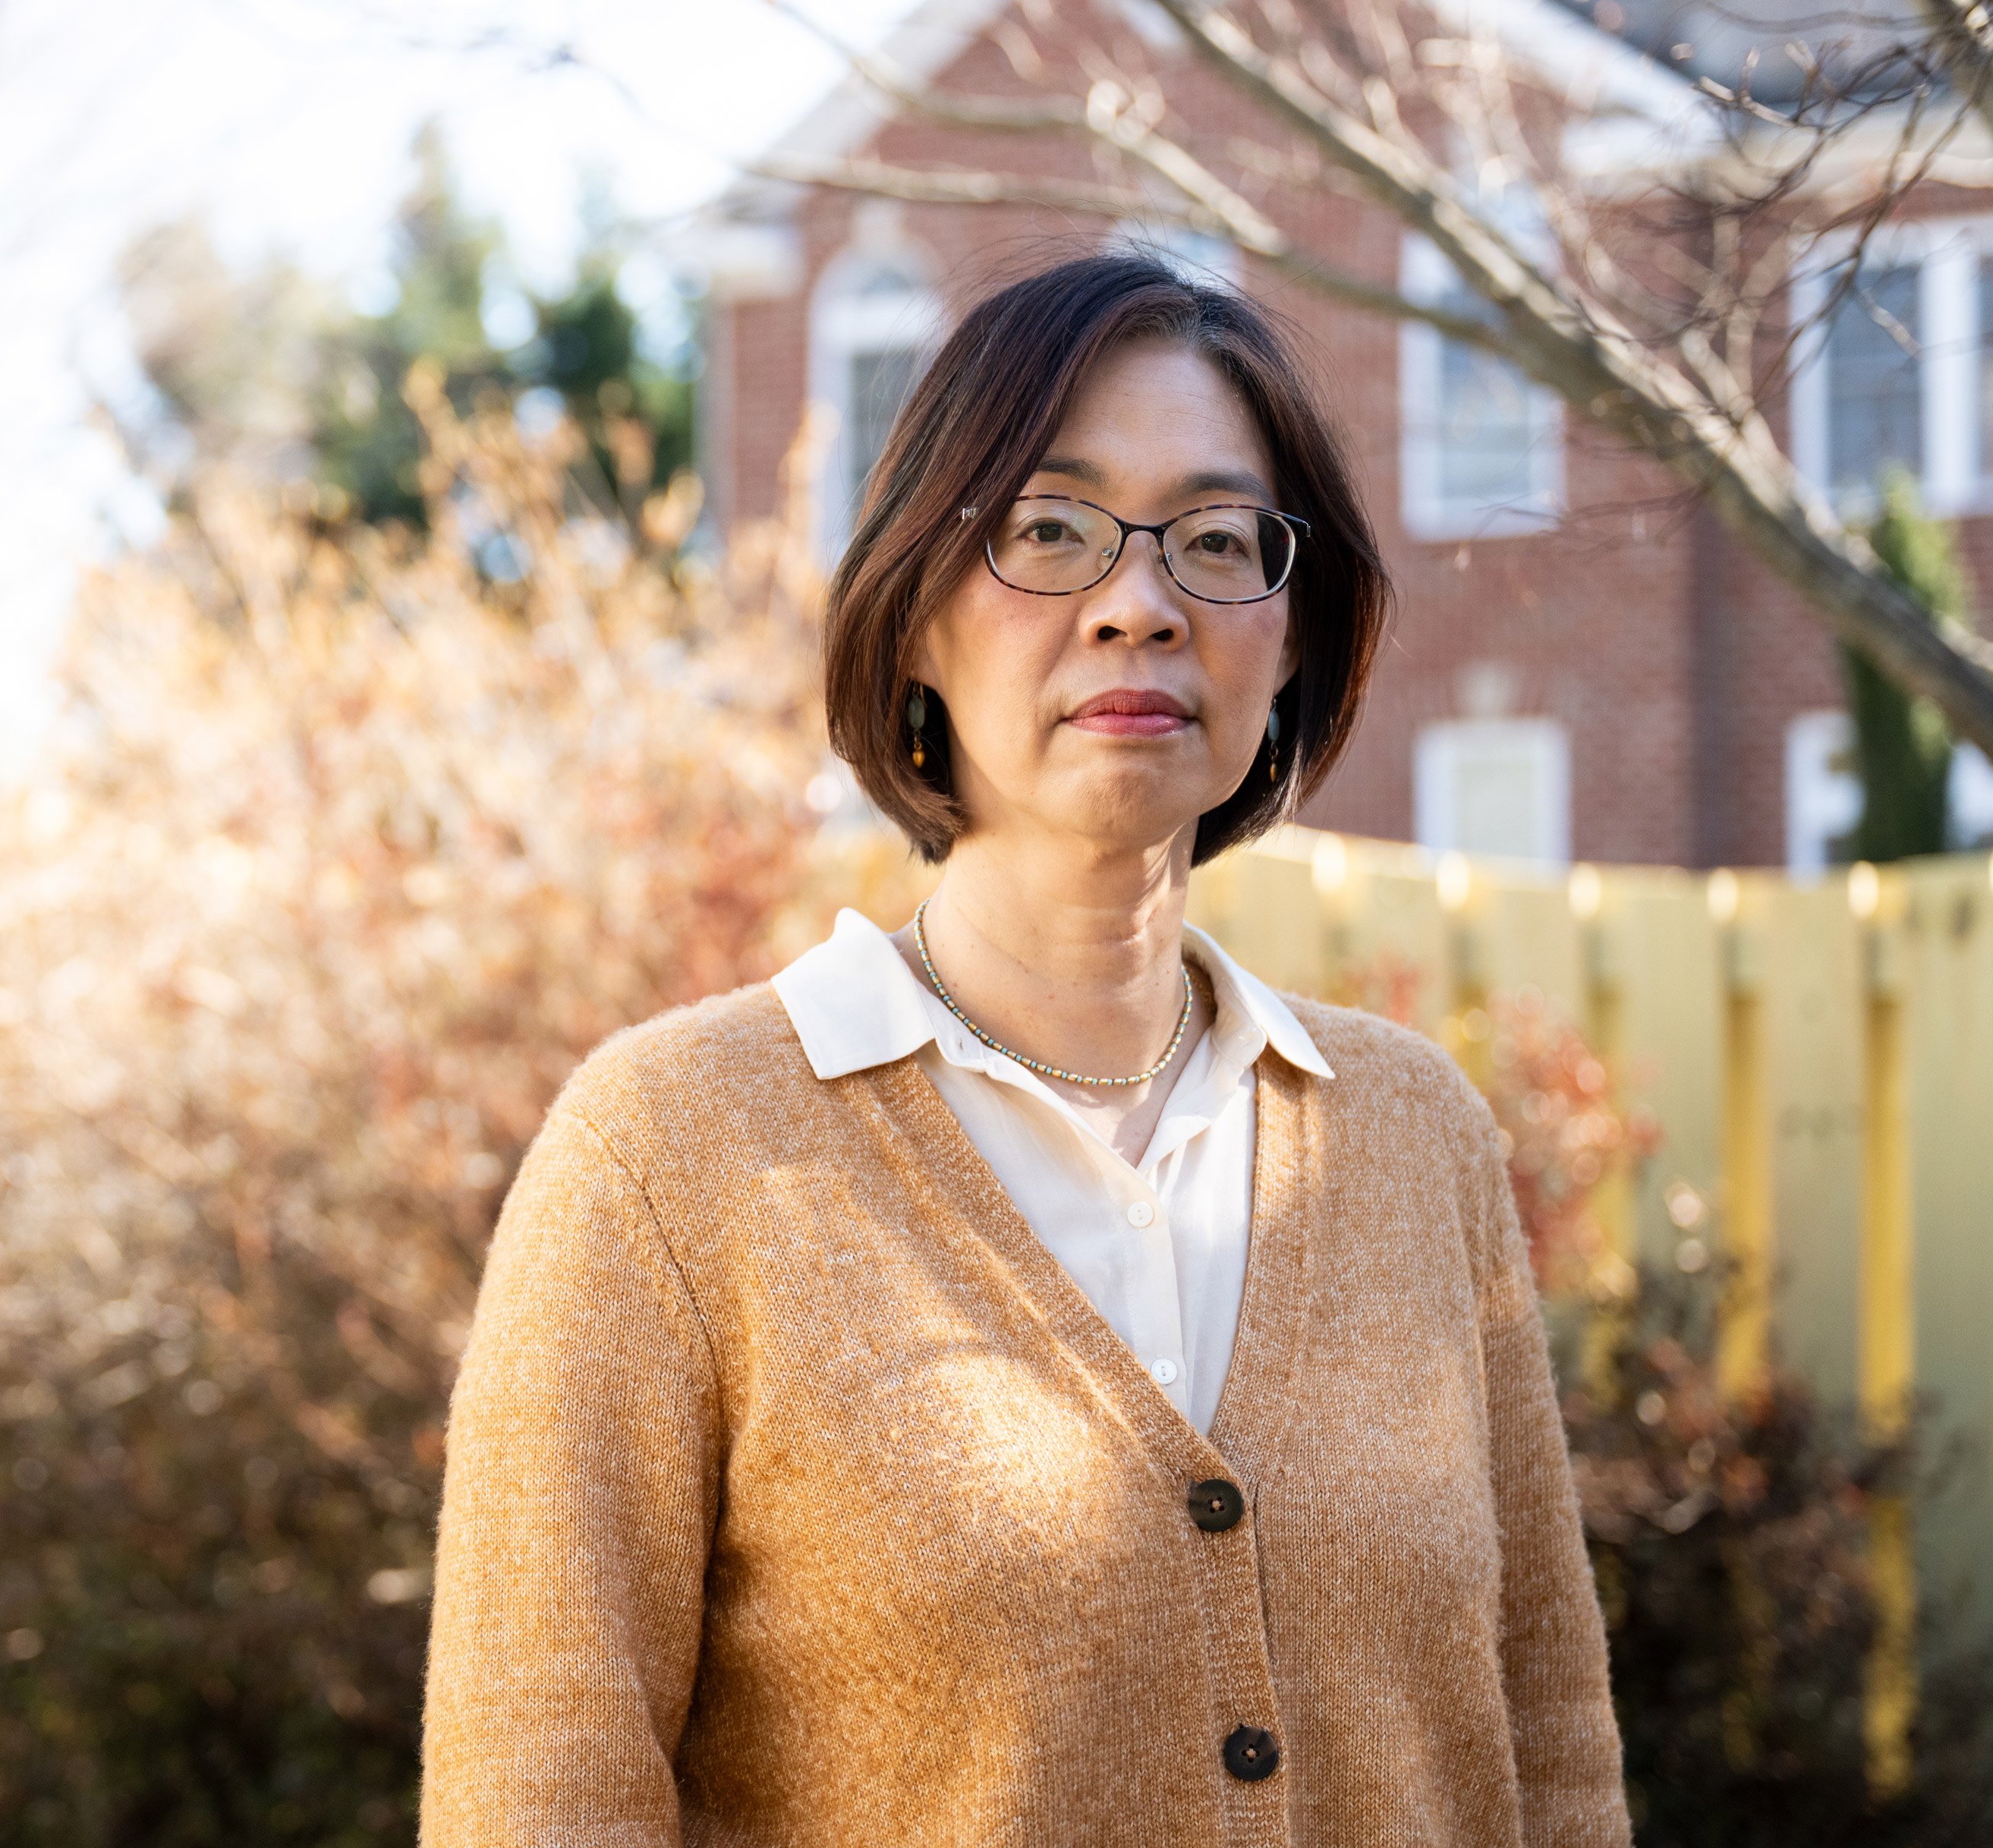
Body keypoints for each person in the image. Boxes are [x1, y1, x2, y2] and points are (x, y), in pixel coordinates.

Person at [419, 254, 1629, 1844]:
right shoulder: (670, 1155)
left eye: (1216, 541)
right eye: (1051, 530)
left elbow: (1554, 1752)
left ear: (1291, 640)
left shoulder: (1414, 1134)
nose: (1141, 602)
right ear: (914, 613)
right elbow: (539, 1800)